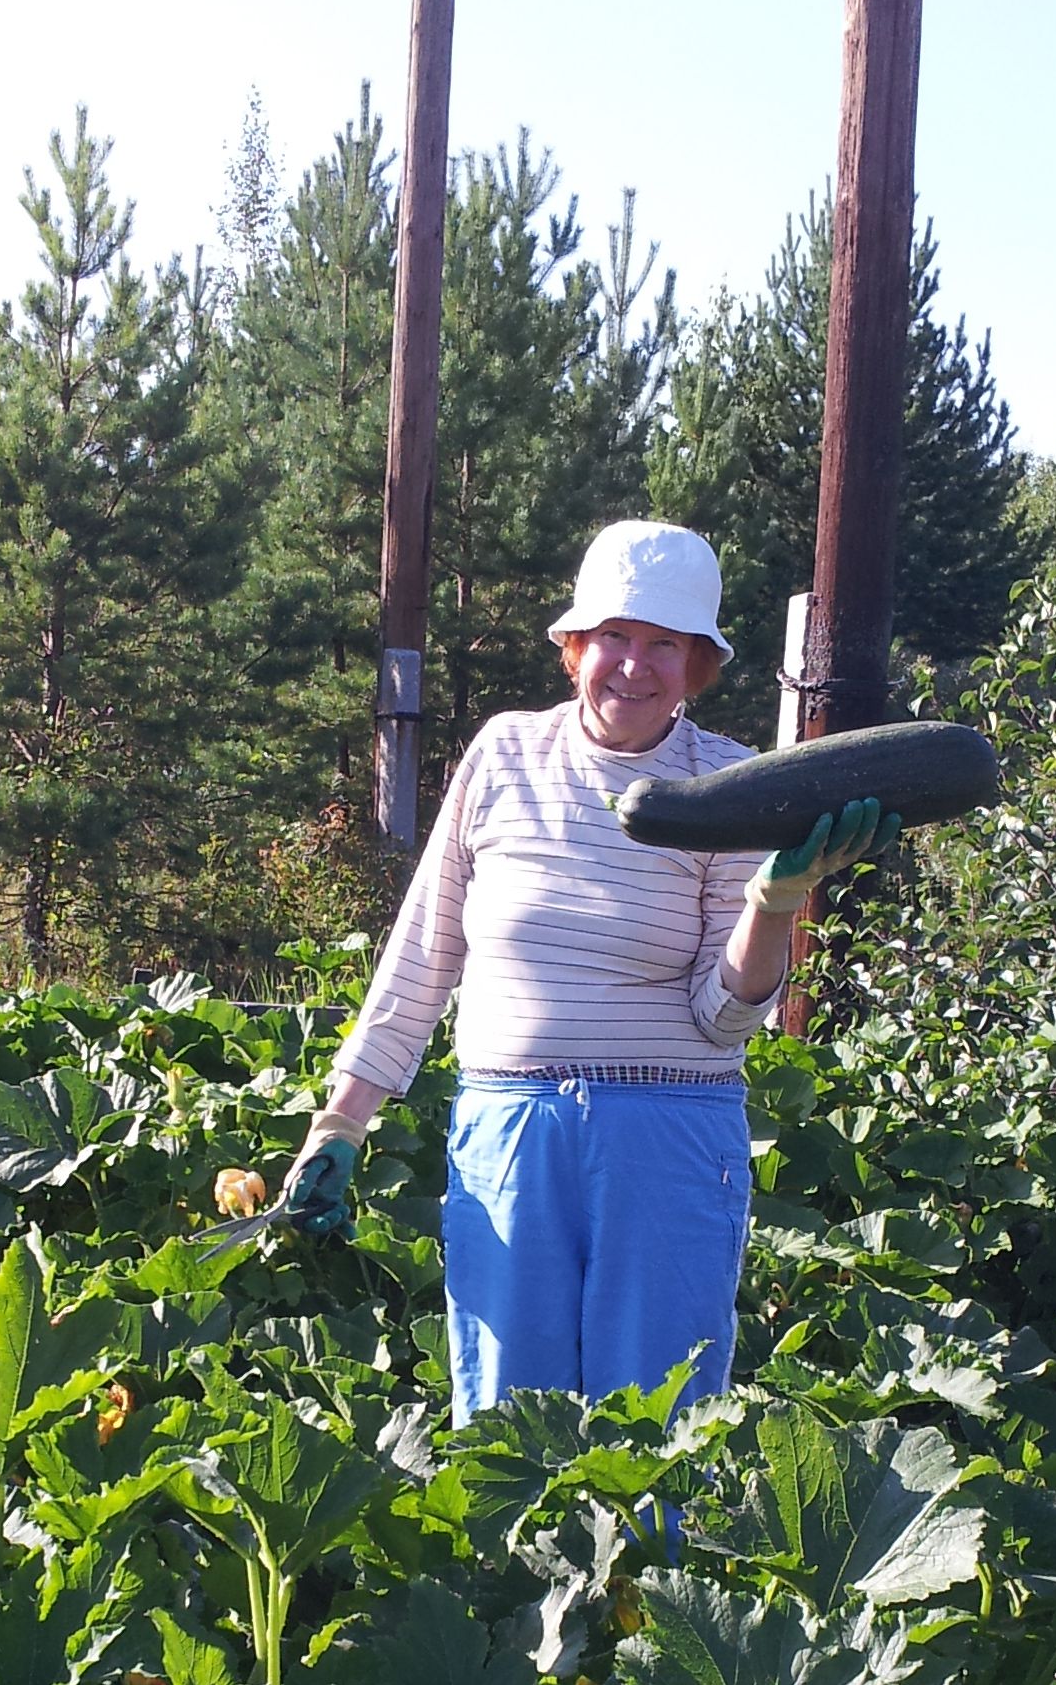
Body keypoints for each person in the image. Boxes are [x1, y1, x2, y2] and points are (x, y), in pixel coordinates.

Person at [279, 518, 887, 1425]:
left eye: (662, 646)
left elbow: (724, 1019)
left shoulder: (732, 788)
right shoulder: (502, 755)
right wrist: (340, 1123)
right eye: (614, 638)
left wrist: (774, 902)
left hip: (669, 1141)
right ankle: (511, 1577)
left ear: (697, 666)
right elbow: (422, 955)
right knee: (504, 1426)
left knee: (657, 1428)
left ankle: (653, 1574)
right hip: (509, 1135)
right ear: (575, 648)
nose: (633, 666)